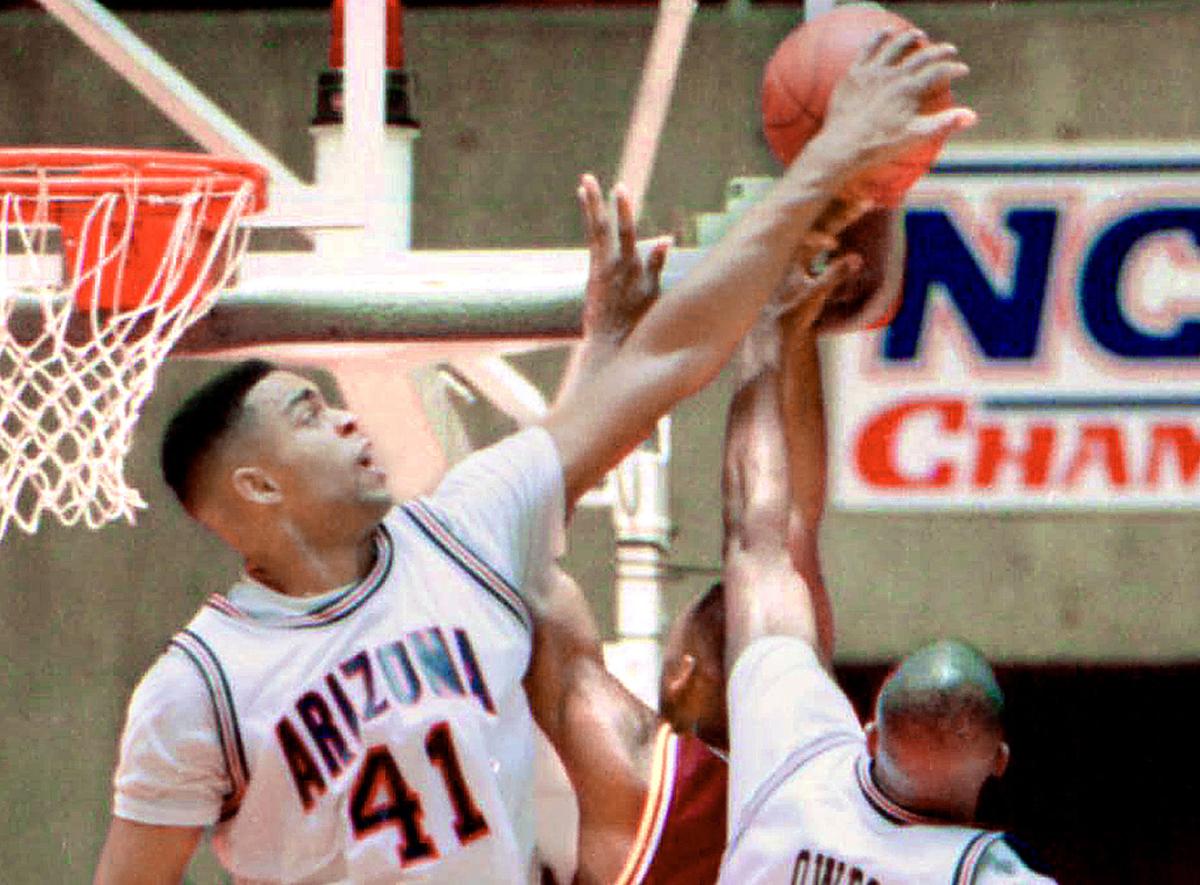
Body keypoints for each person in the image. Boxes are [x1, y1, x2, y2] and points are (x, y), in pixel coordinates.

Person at [95, 28, 976, 884]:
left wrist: (816, 186)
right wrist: (823, 182)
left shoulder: (461, 533)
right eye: (309, 411)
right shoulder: (197, 688)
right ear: (256, 482)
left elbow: (669, 371)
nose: (347, 420)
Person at [524, 194, 867, 885]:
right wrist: (781, 332)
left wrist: (607, 344)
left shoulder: (650, 784)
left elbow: (521, 571)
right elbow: (779, 526)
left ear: (678, 674)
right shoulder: (831, 798)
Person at [716, 238, 1056, 883]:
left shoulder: (793, 753)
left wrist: (769, 330)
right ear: (999, 762)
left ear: (870, 733)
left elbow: (764, 536)